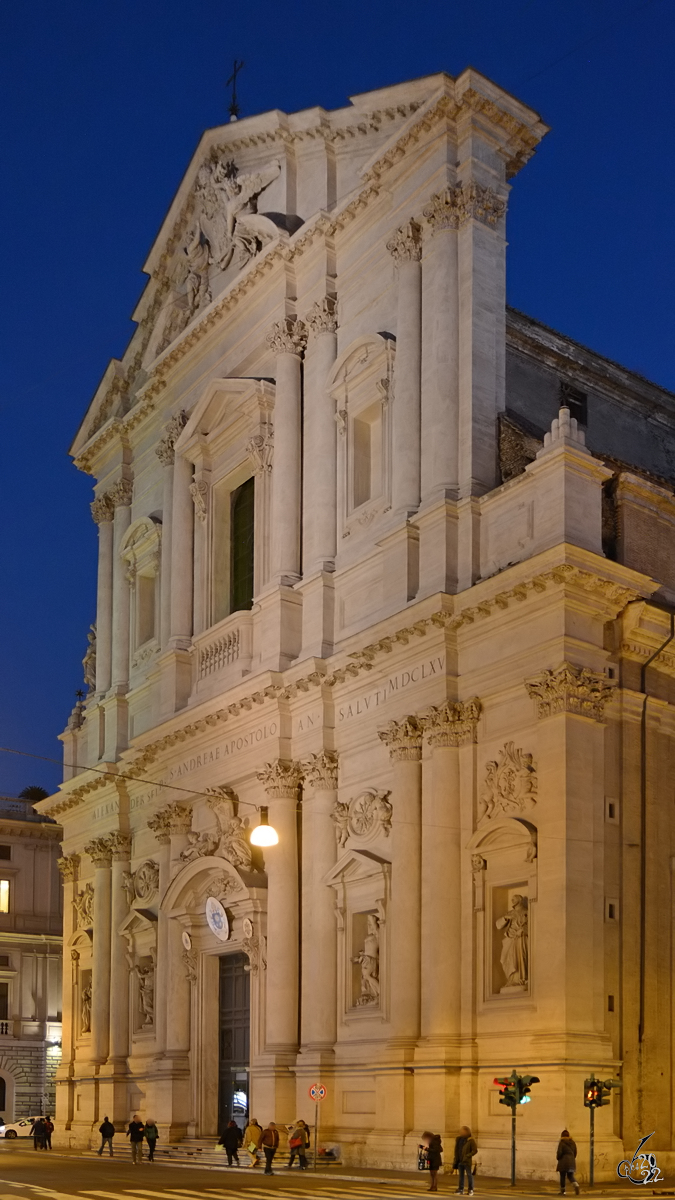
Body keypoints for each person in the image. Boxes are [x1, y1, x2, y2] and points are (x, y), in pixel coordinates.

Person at [454, 1125, 477, 1195]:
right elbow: (457, 1150)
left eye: (463, 1131)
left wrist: (467, 1156)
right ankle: (461, 1189)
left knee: (469, 1175)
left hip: (467, 1161)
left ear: (467, 1132)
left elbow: (475, 1150)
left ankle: (470, 1189)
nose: (461, 1132)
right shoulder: (459, 1139)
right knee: (461, 1176)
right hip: (460, 1160)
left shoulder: (471, 1140)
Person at [556, 1130, 580, 1195]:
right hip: (571, 1161)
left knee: (562, 1176)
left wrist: (558, 1158)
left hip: (563, 1161)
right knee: (570, 1175)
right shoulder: (573, 1142)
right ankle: (576, 1185)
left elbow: (559, 1152)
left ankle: (563, 1191)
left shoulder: (562, 1142)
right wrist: (572, 1158)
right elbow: (575, 1152)